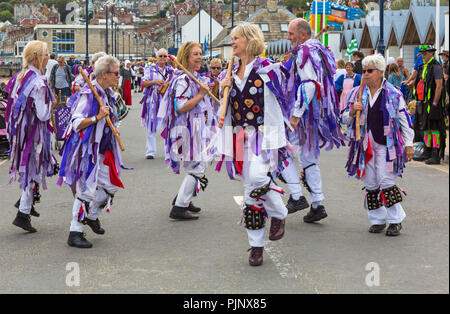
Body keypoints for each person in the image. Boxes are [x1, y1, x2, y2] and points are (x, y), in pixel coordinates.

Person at [218, 22, 292, 266]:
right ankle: (256, 247)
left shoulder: (267, 69)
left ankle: (280, 213)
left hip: (263, 136)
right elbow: (225, 106)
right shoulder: (229, 73)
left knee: (260, 179)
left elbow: (285, 94)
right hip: (240, 138)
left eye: (235, 38)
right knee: (250, 192)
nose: (232, 42)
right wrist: (223, 89)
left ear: (249, 40)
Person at [280, 18, 346, 220]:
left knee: (279, 150)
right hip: (315, 111)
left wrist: (295, 115)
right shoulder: (317, 48)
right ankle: (317, 204)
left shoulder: (304, 51)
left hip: (305, 113)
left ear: (303, 34)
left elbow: (309, 84)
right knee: (309, 159)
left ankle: (297, 195)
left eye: (291, 34)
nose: (288, 37)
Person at [342, 54, 414, 236]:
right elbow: (343, 118)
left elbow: (404, 120)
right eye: (364, 71)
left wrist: (409, 144)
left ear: (381, 72)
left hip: (386, 145)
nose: (365, 74)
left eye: (370, 71)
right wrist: (352, 111)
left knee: (386, 180)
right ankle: (377, 220)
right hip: (364, 145)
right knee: (371, 182)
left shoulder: (393, 93)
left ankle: (396, 220)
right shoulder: (357, 93)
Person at [58, 55, 125, 248]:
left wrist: (112, 125)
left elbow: (110, 116)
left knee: (111, 185)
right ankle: (75, 231)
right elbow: (76, 123)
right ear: (104, 74)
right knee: (86, 190)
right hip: (88, 149)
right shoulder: (89, 94)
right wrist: (96, 118)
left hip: (104, 148)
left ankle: (92, 216)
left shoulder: (107, 93)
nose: (118, 77)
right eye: (116, 73)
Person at [157, 42, 217, 221]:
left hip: (197, 127)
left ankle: (184, 198)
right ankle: (179, 206)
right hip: (186, 129)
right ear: (186, 58)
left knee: (198, 164)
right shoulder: (183, 80)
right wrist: (200, 94)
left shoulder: (194, 77)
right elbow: (181, 107)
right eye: (195, 54)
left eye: (200, 54)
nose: (199, 57)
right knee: (197, 166)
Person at [4, 40, 57, 233]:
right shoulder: (39, 83)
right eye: (45, 53)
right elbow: (43, 114)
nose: (48, 56)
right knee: (33, 171)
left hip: (21, 132)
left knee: (31, 170)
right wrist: (52, 103)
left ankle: (25, 207)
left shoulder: (20, 77)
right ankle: (23, 212)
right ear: (36, 58)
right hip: (35, 133)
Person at [412, 44, 446, 164]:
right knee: (426, 129)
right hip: (423, 103)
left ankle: (435, 154)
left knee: (435, 129)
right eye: (421, 53)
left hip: (433, 103)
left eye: (425, 53)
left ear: (431, 53)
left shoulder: (435, 66)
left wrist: (435, 103)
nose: (423, 55)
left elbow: (439, 86)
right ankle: (427, 151)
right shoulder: (423, 66)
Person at [140, 48, 174, 159]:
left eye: (165, 56)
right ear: (157, 57)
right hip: (153, 100)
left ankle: (168, 152)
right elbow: (143, 83)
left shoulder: (171, 70)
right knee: (151, 125)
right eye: (161, 56)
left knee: (168, 125)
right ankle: (150, 151)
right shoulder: (149, 69)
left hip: (167, 100)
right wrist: (154, 82)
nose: (163, 58)